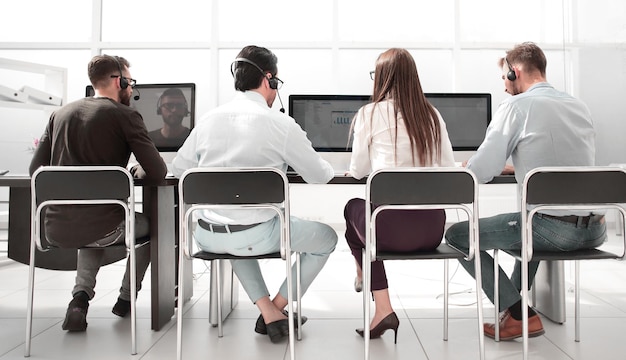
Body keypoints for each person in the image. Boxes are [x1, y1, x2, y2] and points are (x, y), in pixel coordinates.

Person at [171, 45, 338, 343]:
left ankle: (270, 314)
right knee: (326, 239)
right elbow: (320, 176)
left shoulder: (209, 119)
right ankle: (277, 308)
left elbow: (180, 169)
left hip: (206, 233)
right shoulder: (281, 124)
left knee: (235, 226)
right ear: (269, 79)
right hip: (255, 235)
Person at [445, 42, 606, 341]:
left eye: (504, 79)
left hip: (554, 231)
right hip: (595, 228)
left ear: (513, 72)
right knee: (529, 222)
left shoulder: (517, 107)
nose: (504, 88)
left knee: (458, 236)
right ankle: (515, 312)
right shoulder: (577, 105)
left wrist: (473, 164)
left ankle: (519, 314)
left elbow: (481, 170)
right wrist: (517, 165)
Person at [29, 54, 168, 331]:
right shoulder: (126, 115)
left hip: (53, 228)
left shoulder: (59, 114)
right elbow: (158, 172)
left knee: (93, 217)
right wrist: (134, 170)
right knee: (156, 227)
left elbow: (36, 169)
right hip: (106, 228)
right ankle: (126, 299)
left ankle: (80, 299)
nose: (132, 89)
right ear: (120, 81)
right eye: (130, 82)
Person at [344, 48, 455, 342]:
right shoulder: (432, 115)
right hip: (431, 231)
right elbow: (447, 168)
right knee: (363, 225)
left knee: (352, 212)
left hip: (387, 232)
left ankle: (378, 298)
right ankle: (375, 297)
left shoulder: (369, 113)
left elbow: (358, 171)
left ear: (381, 78)